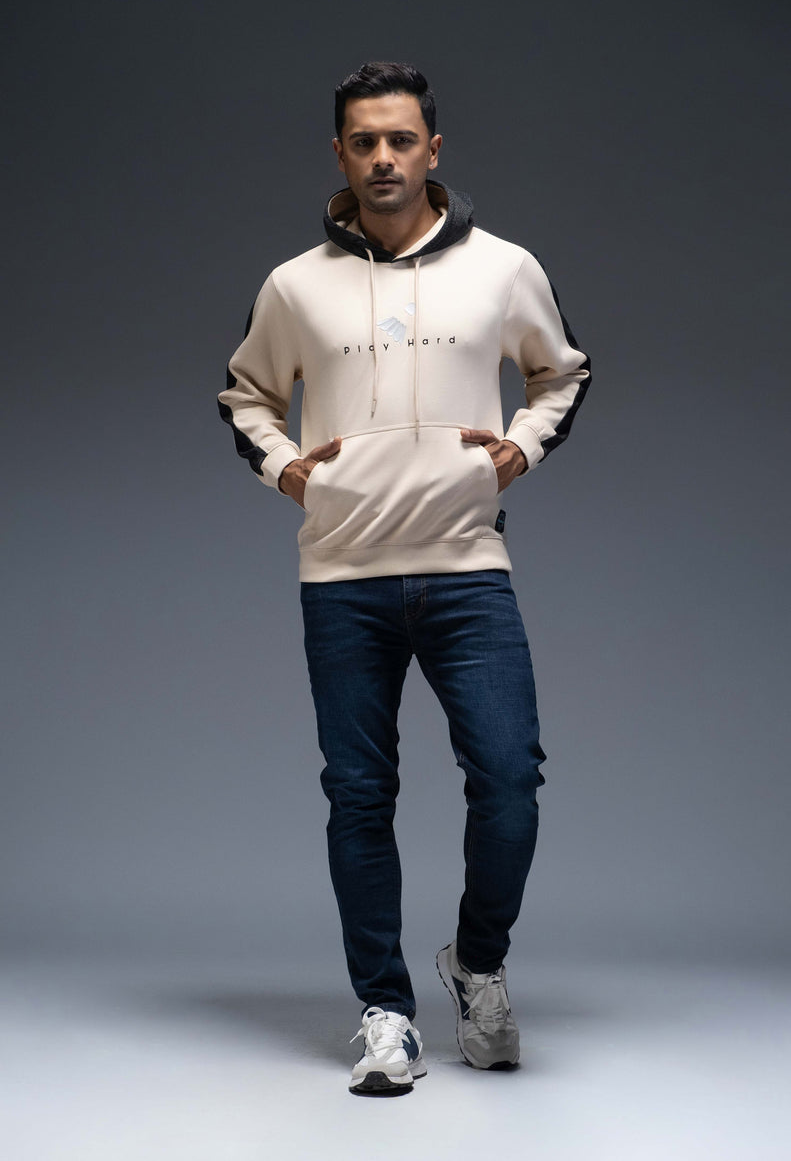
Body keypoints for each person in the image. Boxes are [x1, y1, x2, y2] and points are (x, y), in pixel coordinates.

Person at [217, 61, 591, 1097]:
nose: (383, 157)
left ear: (433, 148)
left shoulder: (503, 267)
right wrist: (287, 467)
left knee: (509, 778)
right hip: (343, 576)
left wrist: (519, 446)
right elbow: (245, 395)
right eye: (363, 141)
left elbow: (561, 371)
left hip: (467, 568)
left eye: (400, 139)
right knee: (358, 795)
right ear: (339, 155)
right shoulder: (295, 285)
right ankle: (385, 1012)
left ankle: (476, 963)